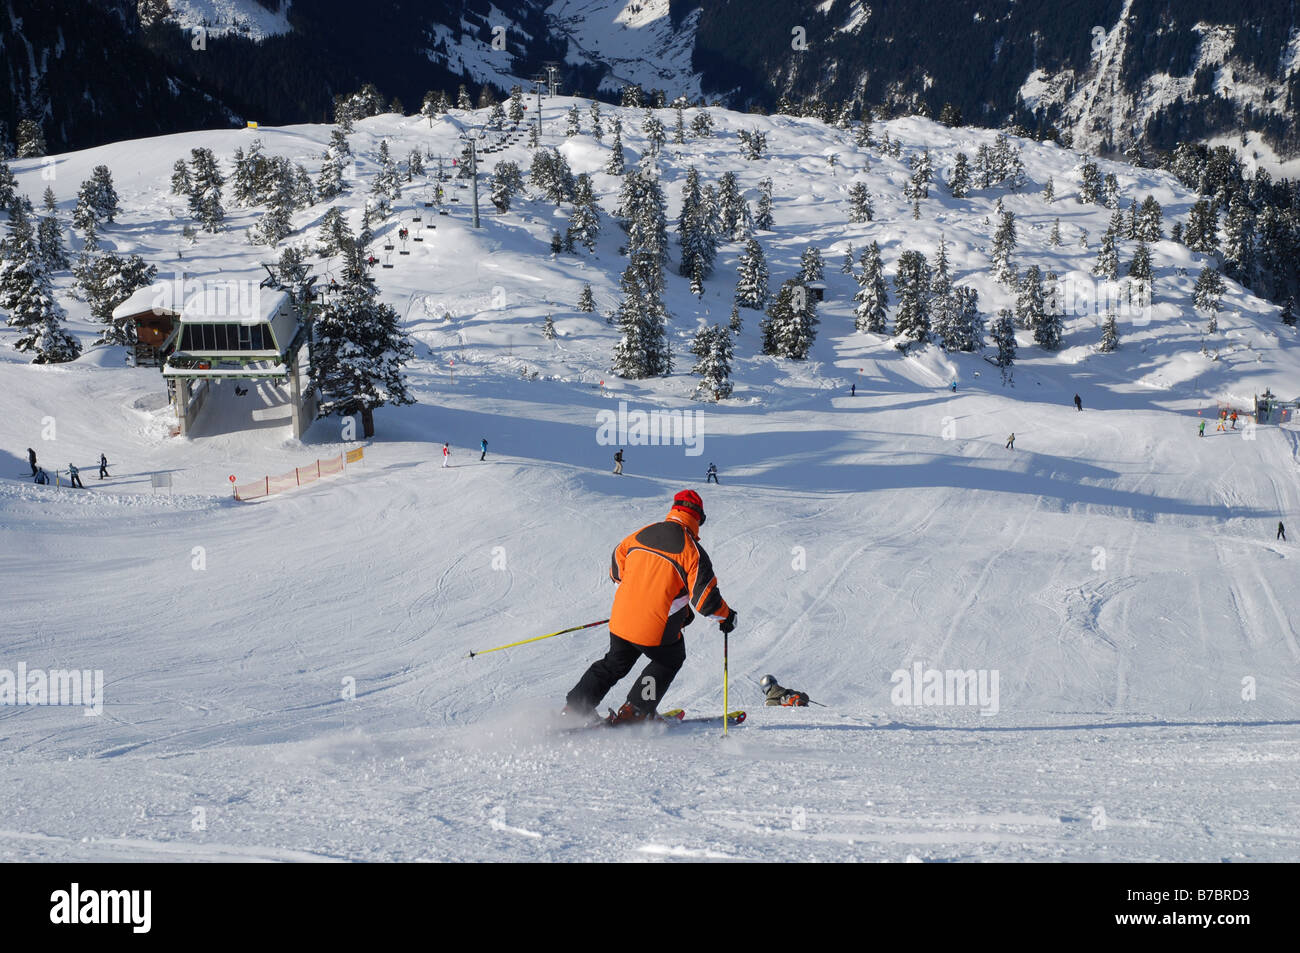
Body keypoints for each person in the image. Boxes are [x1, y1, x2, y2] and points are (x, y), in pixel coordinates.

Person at [564, 490, 736, 724]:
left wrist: (638, 596)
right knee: (669, 659)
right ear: (698, 518)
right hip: (654, 628)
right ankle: (636, 710)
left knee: (614, 662)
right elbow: (706, 602)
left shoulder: (640, 534)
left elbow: (616, 567)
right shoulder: (692, 551)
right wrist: (726, 618)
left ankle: (576, 707)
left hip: (621, 620)